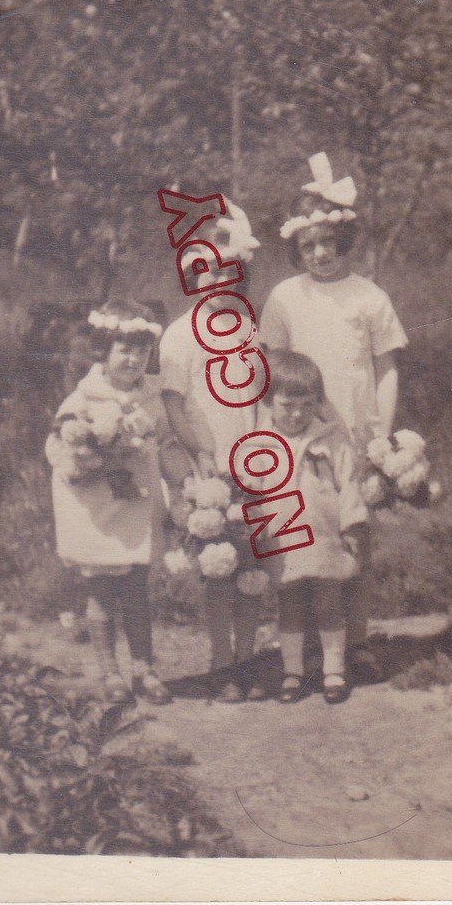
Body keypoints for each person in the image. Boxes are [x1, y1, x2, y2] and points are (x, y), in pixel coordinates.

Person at [259, 152, 408, 662]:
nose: (320, 254)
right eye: (309, 246)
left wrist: (380, 435)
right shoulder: (284, 297)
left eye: (328, 243)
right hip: (298, 434)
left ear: (344, 241)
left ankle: (356, 640)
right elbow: (269, 369)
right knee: (299, 535)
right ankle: (301, 645)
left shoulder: (369, 297)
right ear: (297, 251)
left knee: (354, 536)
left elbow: (387, 370)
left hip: (355, 435)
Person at [160, 201, 266, 703]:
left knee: (253, 565)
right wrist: (198, 456)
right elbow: (175, 407)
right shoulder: (180, 335)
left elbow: (261, 395)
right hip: (210, 468)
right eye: (207, 273)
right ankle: (221, 658)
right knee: (218, 567)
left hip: (253, 464)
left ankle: (248, 655)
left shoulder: (247, 329)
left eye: (229, 273)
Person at [45, 298, 172, 706]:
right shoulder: (83, 398)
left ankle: (144, 669)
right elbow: (59, 447)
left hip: (136, 506)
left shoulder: (151, 397)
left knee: (136, 589)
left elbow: (165, 443)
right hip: (97, 508)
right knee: (100, 590)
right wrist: (87, 456)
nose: (134, 359)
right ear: (104, 352)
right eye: (125, 350)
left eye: (142, 350)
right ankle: (109, 672)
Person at [239, 350, 369, 704]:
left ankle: (334, 671)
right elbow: (252, 494)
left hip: (325, 539)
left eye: (306, 405)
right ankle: (293, 671)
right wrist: (256, 536)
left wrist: (352, 529)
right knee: (291, 606)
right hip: (283, 540)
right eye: (287, 405)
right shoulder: (259, 444)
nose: (297, 414)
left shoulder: (331, 441)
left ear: (317, 403)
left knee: (329, 603)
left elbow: (349, 488)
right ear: (269, 402)